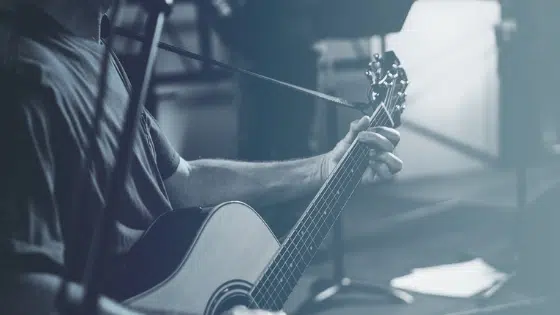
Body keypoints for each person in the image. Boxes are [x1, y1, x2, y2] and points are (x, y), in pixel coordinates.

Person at [0, 0, 403, 314]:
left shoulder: (95, 53)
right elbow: (21, 289)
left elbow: (184, 182)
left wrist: (322, 168)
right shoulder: (23, 79)